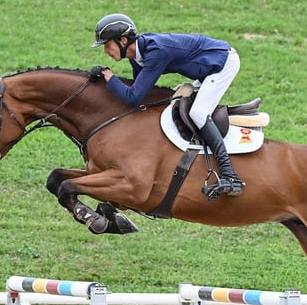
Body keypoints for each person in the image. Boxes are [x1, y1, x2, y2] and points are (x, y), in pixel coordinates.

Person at [90, 13, 244, 199]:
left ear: (123, 40)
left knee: (198, 113)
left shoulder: (156, 52)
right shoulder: (136, 56)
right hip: (206, 68)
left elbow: (133, 97)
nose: (106, 51)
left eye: (107, 45)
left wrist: (109, 77)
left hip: (222, 64)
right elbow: (138, 94)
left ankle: (231, 177)